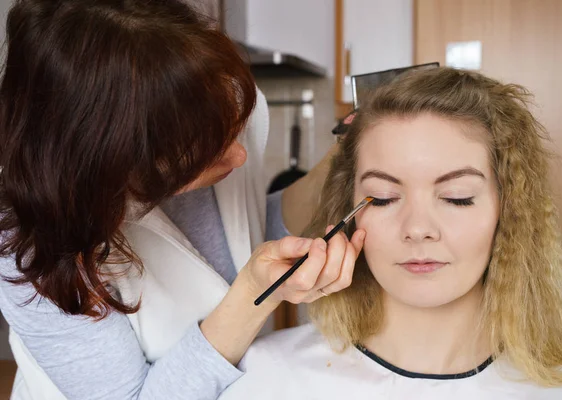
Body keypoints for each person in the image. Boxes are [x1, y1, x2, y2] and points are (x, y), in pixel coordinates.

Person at [0, 1, 365, 399]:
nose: (239, 156)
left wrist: (343, 159)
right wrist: (257, 295)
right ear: (112, 164)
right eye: (203, 154)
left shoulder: (213, 105)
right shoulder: (26, 251)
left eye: (234, 130)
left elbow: (247, 226)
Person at [218, 67, 562, 399]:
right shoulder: (266, 379)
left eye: (457, 198)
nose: (417, 229)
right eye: (382, 198)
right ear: (349, 213)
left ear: (510, 211)